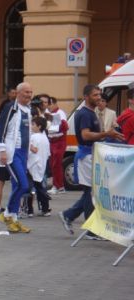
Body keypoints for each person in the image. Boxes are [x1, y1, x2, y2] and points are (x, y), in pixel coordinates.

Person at [58, 85, 124, 239]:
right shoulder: (86, 114)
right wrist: (107, 133)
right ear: (86, 97)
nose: (99, 97)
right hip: (86, 156)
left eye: (99, 94)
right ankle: (89, 229)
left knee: (91, 191)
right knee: (91, 192)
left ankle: (69, 216)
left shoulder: (90, 112)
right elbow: (86, 135)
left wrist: (108, 135)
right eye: (95, 95)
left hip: (91, 154)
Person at [0, 82, 33, 233]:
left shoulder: (28, 110)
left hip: (24, 153)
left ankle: (14, 219)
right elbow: (1, 130)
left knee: (17, 186)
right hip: (13, 153)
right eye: (26, 92)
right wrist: (2, 150)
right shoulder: (11, 108)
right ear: (18, 93)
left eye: (30, 92)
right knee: (23, 185)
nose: (29, 95)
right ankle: (6, 215)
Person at [27, 116, 51, 216]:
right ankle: (45, 208)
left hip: (33, 165)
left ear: (39, 126)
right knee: (39, 187)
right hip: (42, 165)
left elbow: (34, 149)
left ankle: (30, 210)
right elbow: (48, 154)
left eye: (33, 125)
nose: (31, 126)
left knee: (30, 188)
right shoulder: (45, 138)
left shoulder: (33, 137)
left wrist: (28, 145)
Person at [47, 96, 69, 195]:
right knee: (53, 164)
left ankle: (58, 186)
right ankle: (57, 185)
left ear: (55, 103)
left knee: (57, 164)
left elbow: (65, 127)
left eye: (50, 104)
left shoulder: (60, 113)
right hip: (51, 141)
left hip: (59, 141)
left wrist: (56, 124)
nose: (49, 106)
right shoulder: (48, 113)